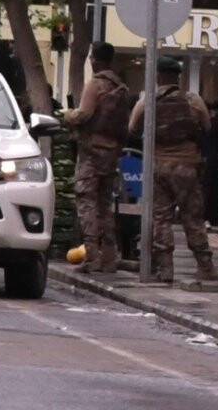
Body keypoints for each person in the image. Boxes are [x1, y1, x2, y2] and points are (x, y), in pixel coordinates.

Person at [128, 57, 218, 283]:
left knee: (161, 217)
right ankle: (205, 265)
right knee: (193, 217)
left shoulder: (147, 102)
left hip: (159, 166)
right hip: (187, 166)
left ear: (158, 76)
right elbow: (208, 127)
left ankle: (166, 269)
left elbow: (132, 129)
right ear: (177, 77)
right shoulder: (193, 100)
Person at [62, 42, 130, 274]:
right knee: (104, 205)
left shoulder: (96, 85)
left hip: (91, 152)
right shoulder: (121, 87)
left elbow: (84, 115)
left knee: (86, 202)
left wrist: (68, 115)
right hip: (111, 154)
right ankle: (110, 257)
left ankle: (92, 256)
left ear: (94, 60)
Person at [201, 98, 218, 227]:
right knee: (214, 191)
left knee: (205, 189)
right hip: (215, 162)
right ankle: (212, 219)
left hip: (204, 160)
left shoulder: (205, 125)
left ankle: (204, 217)